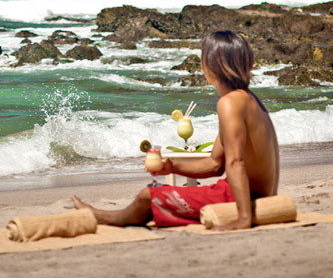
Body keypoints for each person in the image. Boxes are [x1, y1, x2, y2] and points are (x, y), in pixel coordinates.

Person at [72, 31, 279, 231]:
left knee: (148, 195)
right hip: (251, 193)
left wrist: (244, 218)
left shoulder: (229, 103)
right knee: (157, 195)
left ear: (211, 66)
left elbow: (235, 163)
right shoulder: (248, 99)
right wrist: (172, 166)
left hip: (243, 198)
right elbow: (215, 164)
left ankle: (103, 217)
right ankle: (109, 215)